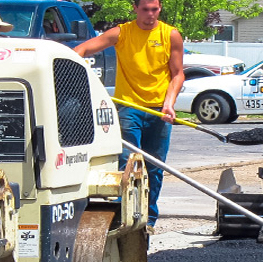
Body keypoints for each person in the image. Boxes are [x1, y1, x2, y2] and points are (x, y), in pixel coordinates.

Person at [73, 0, 184, 231]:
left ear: (160, 8)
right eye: (145, 9)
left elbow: (178, 74)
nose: (150, 14)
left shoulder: (170, 35)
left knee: (154, 167)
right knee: (127, 165)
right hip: (129, 108)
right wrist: (76, 66)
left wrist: (169, 104)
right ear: (135, 8)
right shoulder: (122, 33)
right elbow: (81, 49)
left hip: (159, 111)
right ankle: (123, 216)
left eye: (155, 9)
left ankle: (149, 221)